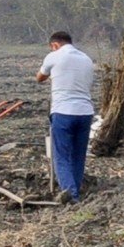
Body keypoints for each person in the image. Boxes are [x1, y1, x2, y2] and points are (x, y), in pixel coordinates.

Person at [36, 31, 94, 204]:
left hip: (63, 111)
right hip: (85, 112)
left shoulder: (53, 56)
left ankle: (71, 195)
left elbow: (39, 78)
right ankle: (75, 188)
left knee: (61, 155)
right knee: (78, 155)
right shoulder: (86, 59)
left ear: (55, 45)